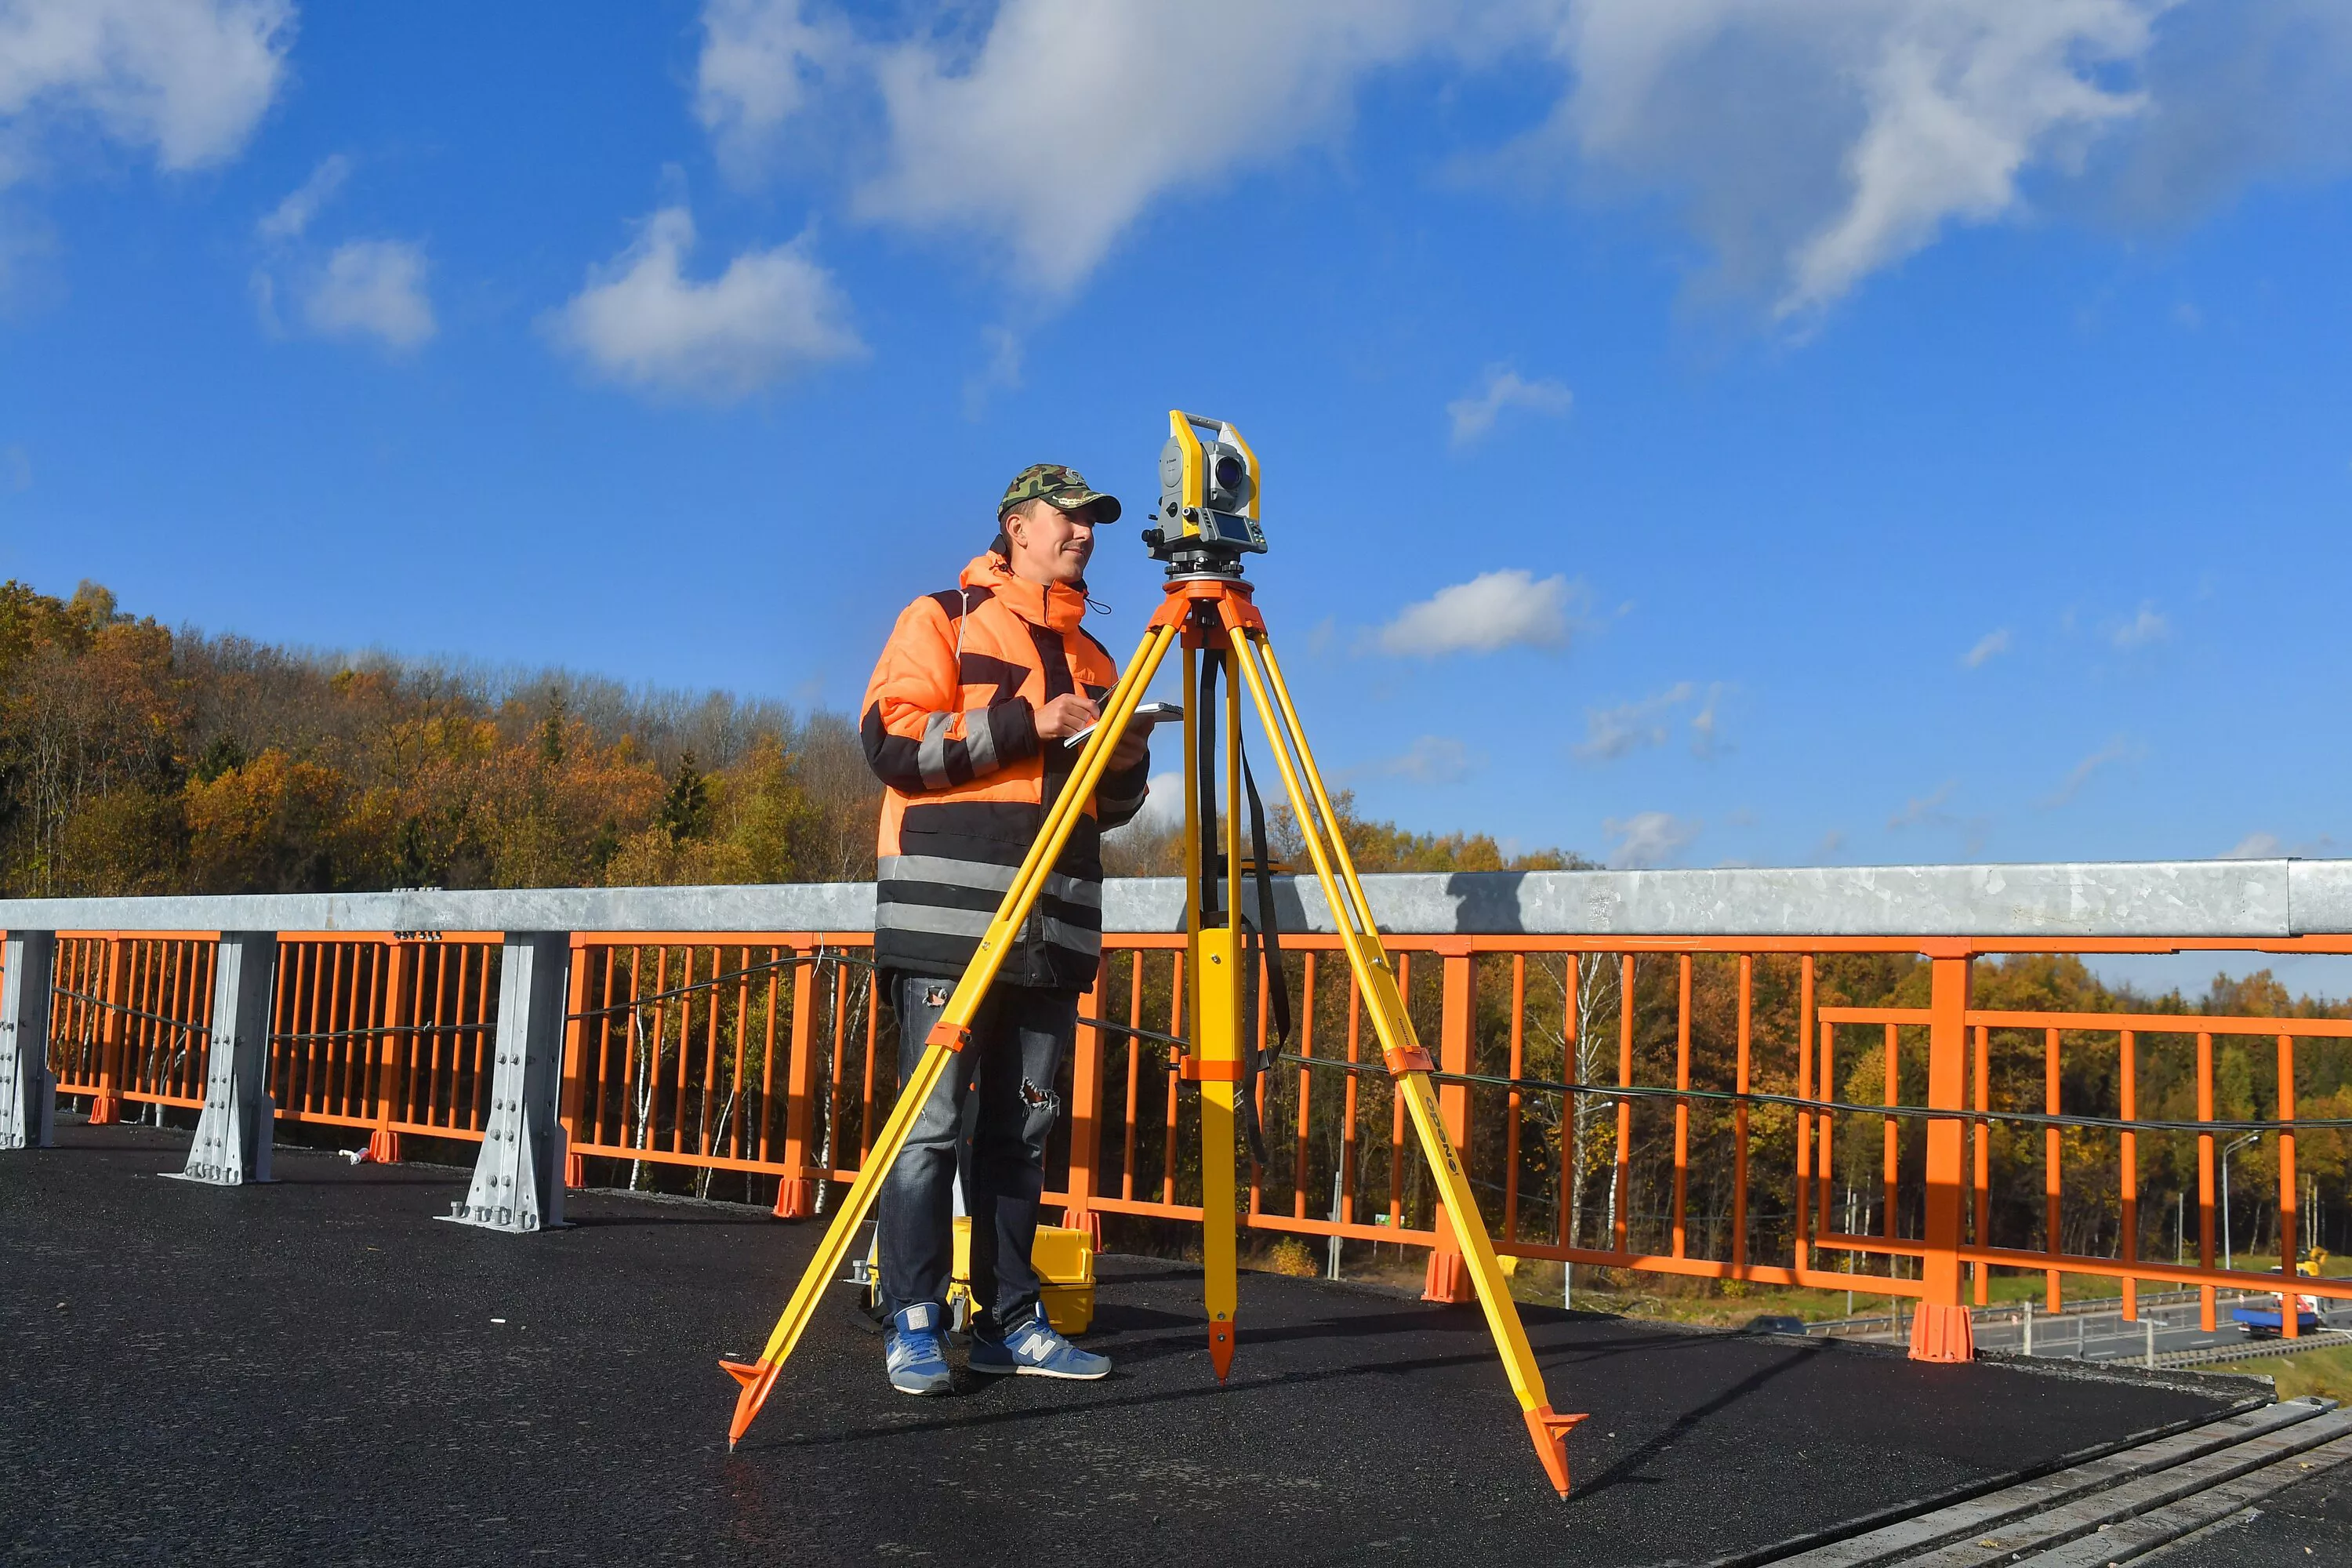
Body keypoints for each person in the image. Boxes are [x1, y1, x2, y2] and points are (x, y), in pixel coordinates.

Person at [858, 462, 1152, 1396]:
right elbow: (892, 740)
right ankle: (912, 1318)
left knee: (1024, 1131)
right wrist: (1030, 719)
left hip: (1051, 927)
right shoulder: (941, 617)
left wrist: (1126, 756)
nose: (1085, 534)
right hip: (950, 920)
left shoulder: (1102, 659)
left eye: (1092, 523)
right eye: (1068, 519)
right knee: (931, 1125)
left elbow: (1105, 808)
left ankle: (1009, 1320)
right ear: (1018, 526)